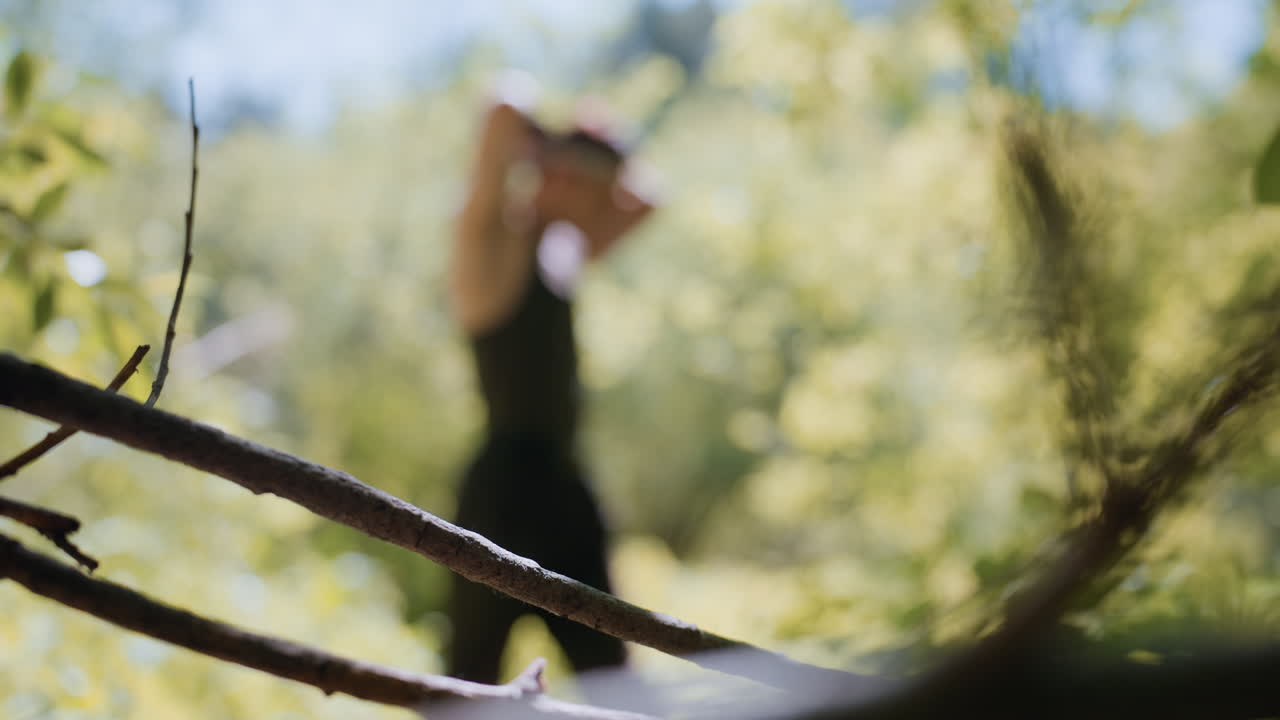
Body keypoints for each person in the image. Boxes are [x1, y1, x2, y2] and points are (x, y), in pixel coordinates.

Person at [447, 77, 655, 685]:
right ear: (553, 172)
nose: (593, 197)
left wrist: (595, 146)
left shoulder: (563, 251)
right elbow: (502, 106)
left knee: (617, 681)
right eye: (581, 180)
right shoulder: (488, 242)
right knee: (467, 687)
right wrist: (562, 149)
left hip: (567, 494)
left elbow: (650, 198)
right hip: (498, 499)